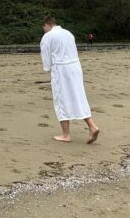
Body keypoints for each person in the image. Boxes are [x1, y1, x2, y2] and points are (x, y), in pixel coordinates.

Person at [40, 15, 100, 144]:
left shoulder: (48, 36)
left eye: (43, 27)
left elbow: (46, 57)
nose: (44, 30)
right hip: (75, 67)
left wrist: (48, 69)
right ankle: (92, 126)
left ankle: (66, 134)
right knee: (79, 96)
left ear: (47, 25)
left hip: (61, 69)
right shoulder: (68, 33)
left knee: (61, 99)